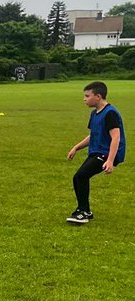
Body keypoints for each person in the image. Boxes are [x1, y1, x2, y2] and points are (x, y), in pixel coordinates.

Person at [65, 81, 126, 225]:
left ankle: (84, 211)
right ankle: (84, 210)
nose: (84, 99)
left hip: (106, 153)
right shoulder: (94, 114)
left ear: (98, 96)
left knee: (81, 176)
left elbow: (116, 137)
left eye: (87, 96)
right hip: (96, 151)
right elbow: (93, 135)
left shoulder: (110, 113)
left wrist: (110, 160)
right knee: (78, 178)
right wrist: (76, 147)